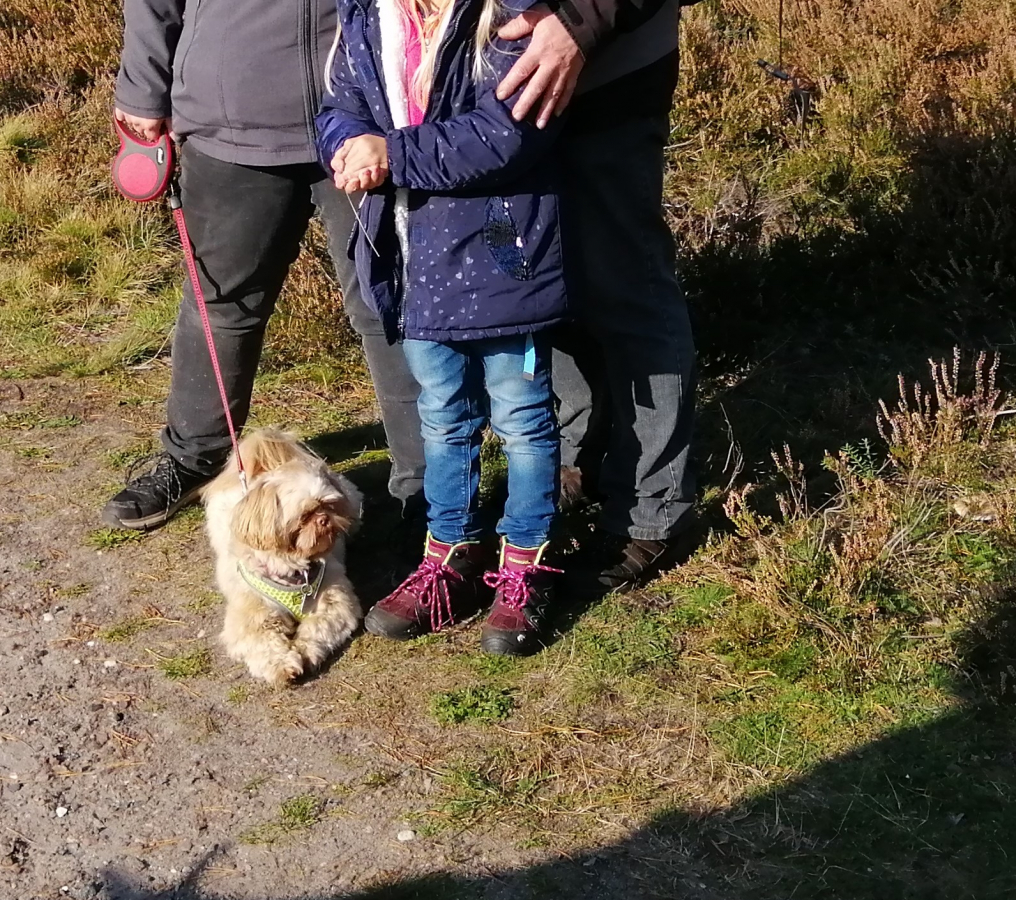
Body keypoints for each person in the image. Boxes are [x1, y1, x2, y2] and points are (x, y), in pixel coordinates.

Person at [104, 0, 426, 531]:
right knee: (221, 302)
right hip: (230, 115)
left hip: (370, 119)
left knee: (389, 304)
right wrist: (143, 86)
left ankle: (424, 484)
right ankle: (196, 457)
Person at [318, 0, 567, 656]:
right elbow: (339, 106)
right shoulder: (365, 17)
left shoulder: (511, 17)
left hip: (503, 256)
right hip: (413, 261)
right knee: (442, 418)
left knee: (522, 420)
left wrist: (390, 153)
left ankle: (526, 566)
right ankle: (448, 557)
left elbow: (509, 132)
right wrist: (346, 146)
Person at [492, 0, 699, 591]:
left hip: (610, 70)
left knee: (629, 288)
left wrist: (580, 21)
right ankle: (574, 458)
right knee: (545, 282)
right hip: (503, 86)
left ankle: (653, 509)